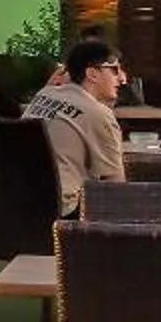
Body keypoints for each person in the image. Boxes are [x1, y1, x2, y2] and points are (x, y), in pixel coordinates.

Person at [24, 38, 127, 213]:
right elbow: (115, 187)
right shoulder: (97, 113)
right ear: (92, 74)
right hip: (61, 209)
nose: (122, 78)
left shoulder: (44, 94)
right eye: (114, 70)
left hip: (17, 199)